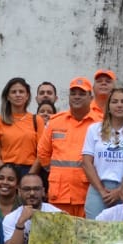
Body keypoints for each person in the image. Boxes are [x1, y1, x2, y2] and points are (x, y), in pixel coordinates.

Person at [34, 76, 99, 217]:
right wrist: (58, 173)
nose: (77, 97)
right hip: (60, 193)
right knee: (60, 236)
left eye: (82, 94)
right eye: (73, 93)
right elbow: (43, 153)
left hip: (88, 193)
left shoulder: (99, 123)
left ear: (91, 97)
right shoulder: (56, 122)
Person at [81, 85, 123, 217]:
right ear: (108, 106)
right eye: (114, 102)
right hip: (99, 188)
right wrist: (101, 191)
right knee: (95, 230)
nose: (119, 105)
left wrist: (121, 190)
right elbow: (86, 162)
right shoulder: (94, 129)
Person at [0, 77, 39, 188]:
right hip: (6, 172)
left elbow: (41, 154)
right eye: (14, 92)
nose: (18, 95)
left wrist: (29, 176)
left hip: (30, 171)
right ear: (8, 96)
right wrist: (7, 174)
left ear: (27, 96)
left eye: (21, 92)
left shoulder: (36, 120)